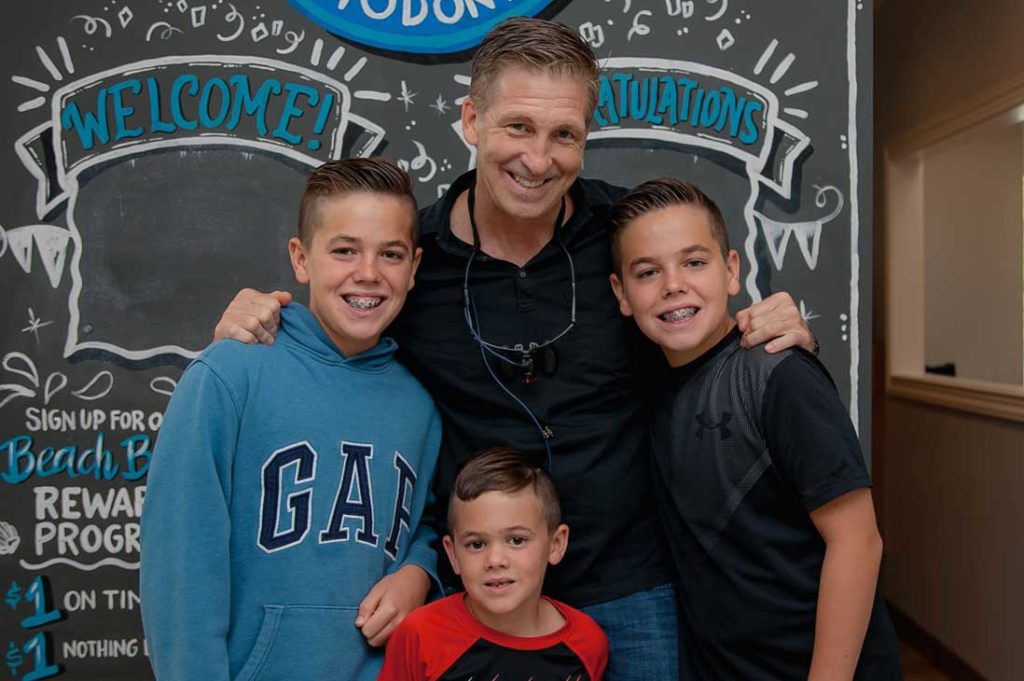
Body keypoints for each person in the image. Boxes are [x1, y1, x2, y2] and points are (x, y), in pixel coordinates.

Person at [212, 18, 814, 679]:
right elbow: (343, 339)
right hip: (477, 598)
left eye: (564, 135)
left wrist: (766, 325)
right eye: (518, 127)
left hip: (634, 585)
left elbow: (698, 318)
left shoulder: (627, 236)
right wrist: (267, 320)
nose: (538, 158)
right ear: (472, 119)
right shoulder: (417, 260)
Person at [140, 158, 443, 681]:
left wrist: (419, 569)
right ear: (301, 259)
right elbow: (180, 572)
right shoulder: (230, 375)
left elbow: (425, 525)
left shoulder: (417, 407)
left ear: (413, 267)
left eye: (389, 254)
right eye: (344, 250)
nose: (367, 273)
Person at [608, 177, 901, 680]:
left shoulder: (780, 374)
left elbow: (857, 541)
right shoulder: (649, 377)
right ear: (621, 294)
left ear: (732, 271)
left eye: (694, 262)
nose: (673, 283)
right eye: (648, 271)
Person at [379, 447, 608, 680]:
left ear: (556, 544)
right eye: (477, 544)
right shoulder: (420, 634)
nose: (495, 560)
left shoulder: (587, 643)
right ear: (453, 554)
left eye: (516, 540)